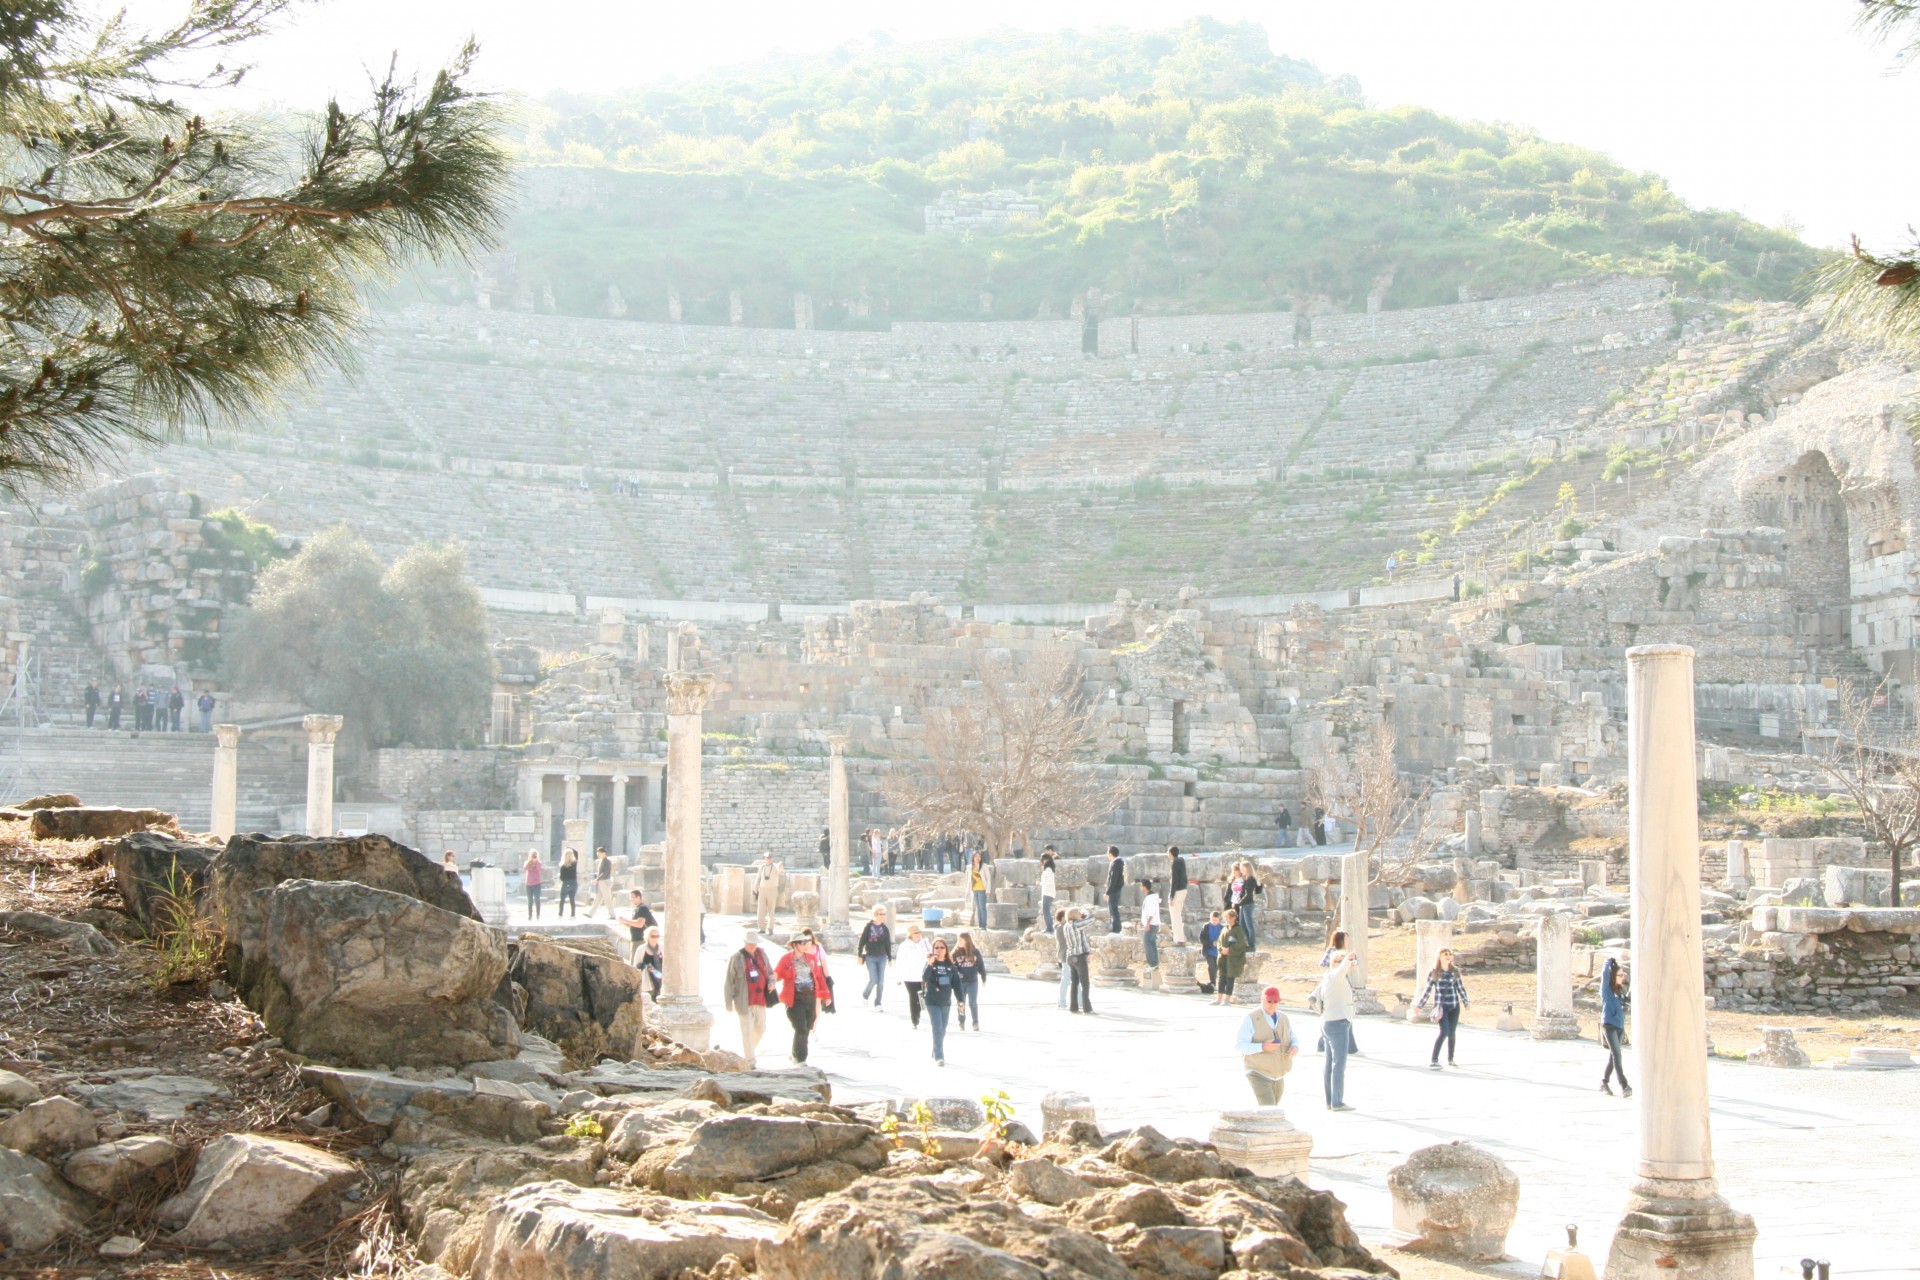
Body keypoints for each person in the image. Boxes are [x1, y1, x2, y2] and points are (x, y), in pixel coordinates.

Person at [774, 931, 832, 1064]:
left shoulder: (811, 958)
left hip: (810, 997)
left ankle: (795, 1053)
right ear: (794, 944)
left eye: (806, 942)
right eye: (802, 942)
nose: (805, 944)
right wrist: (772, 981)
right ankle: (801, 1059)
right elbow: (777, 973)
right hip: (794, 998)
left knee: (807, 1027)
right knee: (800, 1027)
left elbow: (819, 978)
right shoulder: (786, 959)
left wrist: (826, 995)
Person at [1235, 985, 1299, 1106]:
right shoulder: (1251, 1018)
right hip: (1258, 1072)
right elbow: (1240, 1045)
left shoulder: (1284, 1018)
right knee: (1269, 1109)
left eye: (1276, 1001)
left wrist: (1295, 1047)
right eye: (1269, 1001)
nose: (1272, 1004)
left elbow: (1293, 1037)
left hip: (1279, 1074)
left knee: (1272, 1112)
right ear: (1262, 999)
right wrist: (1262, 1047)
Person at [1312, 950, 1357, 1111]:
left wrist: (1347, 965)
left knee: (1330, 1063)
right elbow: (1340, 969)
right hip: (1337, 1023)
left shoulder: (1332, 977)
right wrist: (1347, 958)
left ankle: (1331, 1101)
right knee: (1338, 1064)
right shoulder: (1334, 976)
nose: (1341, 963)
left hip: (1329, 1022)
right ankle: (1337, 1101)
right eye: (1338, 961)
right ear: (1332, 963)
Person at [724, 929, 774, 1068]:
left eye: (754, 943)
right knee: (747, 1031)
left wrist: (772, 982)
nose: (752, 946)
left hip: (760, 998)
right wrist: (728, 1001)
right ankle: (750, 1061)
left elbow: (771, 972)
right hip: (743, 1000)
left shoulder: (762, 955)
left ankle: (748, 1052)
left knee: (761, 1027)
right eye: (750, 943)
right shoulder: (737, 957)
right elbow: (729, 980)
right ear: (745, 942)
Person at [1414, 948, 1470, 1069]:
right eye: (1445, 955)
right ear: (1439, 957)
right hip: (1441, 1007)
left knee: (1452, 1033)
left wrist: (1466, 1001)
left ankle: (1451, 1058)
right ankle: (1434, 1060)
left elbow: (1460, 988)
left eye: (1450, 954)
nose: (1448, 956)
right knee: (1444, 1032)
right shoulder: (1434, 972)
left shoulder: (1455, 971)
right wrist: (1420, 1005)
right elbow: (1427, 990)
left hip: (1454, 1006)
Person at [920, 936, 961, 1065]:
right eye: (936, 947)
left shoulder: (950, 966)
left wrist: (961, 1001)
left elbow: (957, 984)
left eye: (942, 947)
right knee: (937, 1028)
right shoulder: (930, 964)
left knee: (943, 1029)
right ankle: (939, 1056)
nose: (939, 950)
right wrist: (931, 964)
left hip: (945, 1002)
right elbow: (924, 978)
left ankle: (935, 1049)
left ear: (946, 950)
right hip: (932, 1001)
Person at [1319, 929, 1361, 1054]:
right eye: (1345, 939)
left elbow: (1353, 965)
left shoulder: (1346, 953)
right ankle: (1324, 1045)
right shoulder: (1332, 951)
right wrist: (1332, 970)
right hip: (1332, 985)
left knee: (1345, 1014)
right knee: (1335, 1017)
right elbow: (1322, 964)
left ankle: (1350, 1047)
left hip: (1344, 984)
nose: (1347, 941)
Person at [1599, 956, 1633, 1098]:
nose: (1622, 977)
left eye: (1623, 975)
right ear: (1613, 977)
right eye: (1619, 975)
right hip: (1609, 1025)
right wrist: (1609, 961)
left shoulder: (1620, 992)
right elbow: (1605, 973)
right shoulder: (1606, 990)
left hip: (1619, 1026)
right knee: (1617, 1055)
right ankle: (1624, 1085)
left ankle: (1604, 1082)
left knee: (1613, 1057)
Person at [857, 906, 893, 1008]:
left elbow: (887, 945)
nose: (883, 916)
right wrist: (859, 954)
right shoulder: (868, 927)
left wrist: (890, 958)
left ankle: (878, 1003)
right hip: (870, 957)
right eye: (881, 914)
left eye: (884, 914)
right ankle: (865, 995)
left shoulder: (885, 929)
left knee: (881, 982)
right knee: (874, 980)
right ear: (875, 915)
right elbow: (862, 941)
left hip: (882, 957)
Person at [895, 922, 930, 1028]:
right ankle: (915, 1019)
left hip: (923, 975)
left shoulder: (925, 943)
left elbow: (931, 956)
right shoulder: (905, 945)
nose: (918, 935)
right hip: (909, 976)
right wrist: (898, 977)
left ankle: (919, 1013)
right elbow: (899, 961)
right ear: (910, 935)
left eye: (919, 932)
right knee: (913, 997)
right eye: (915, 933)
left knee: (922, 996)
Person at [953, 930, 987, 1031]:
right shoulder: (956, 953)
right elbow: (952, 966)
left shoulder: (975, 952)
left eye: (961, 940)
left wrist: (983, 977)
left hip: (972, 981)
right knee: (961, 1002)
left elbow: (980, 965)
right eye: (958, 940)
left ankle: (975, 1023)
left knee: (973, 1002)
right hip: (960, 982)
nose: (959, 942)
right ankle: (961, 1022)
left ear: (967, 940)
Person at [1062, 906, 1094, 1014]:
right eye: (1079, 913)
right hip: (1079, 956)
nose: (1081, 914)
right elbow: (1091, 919)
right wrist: (1086, 912)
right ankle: (1087, 1008)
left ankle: (1073, 1007)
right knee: (1085, 983)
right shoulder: (1076, 925)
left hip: (1070, 956)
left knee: (1074, 982)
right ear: (1075, 915)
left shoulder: (1066, 925)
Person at [1215, 907, 1249, 1005]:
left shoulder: (1238, 930)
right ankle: (1219, 999)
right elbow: (1219, 942)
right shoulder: (1224, 929)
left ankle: (1227, 1000)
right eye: (1226, 919)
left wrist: (1230, 950)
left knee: (1230, 978)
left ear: (1234, 918)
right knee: (1222, 978)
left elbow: (1240, 943)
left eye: (1229, 918)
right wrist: (1222, 950)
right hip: (1223, 958)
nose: (1227, 920)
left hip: (1233, 958)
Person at [1227, 860, 1262, 953]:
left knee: (1249, 926)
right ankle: (1247, 944)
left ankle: (1252, 945)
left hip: (1247, 904)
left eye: (1243, 868)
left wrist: (1240, 902)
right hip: (1243, 905)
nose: (1241, 870)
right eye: (1241, 869)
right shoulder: (1246, 879)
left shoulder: (1251, 879)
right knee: (1242, 925)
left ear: (1247, 868)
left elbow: (1249, 894)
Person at [620, 888, 658, 963]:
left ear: (639, 897)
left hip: (640, 941)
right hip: (636, 940)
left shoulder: (642, 908)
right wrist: (624, 922)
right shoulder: (636, 909)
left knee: (636, 964)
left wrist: (627, 920)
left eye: (632, 897)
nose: (631, 899)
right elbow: (634, 925)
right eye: (630, 897)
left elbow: (640, 924)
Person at [1199, 910, 1225, 994]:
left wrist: (1219, 943)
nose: (1214, 922)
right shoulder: (1206, 926)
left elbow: (1224, 939)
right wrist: (1211, 943)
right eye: (1213, 920)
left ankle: (1215, 983)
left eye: (1216, 920)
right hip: (1209, 950)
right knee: (1211, 966)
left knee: (1217, 968)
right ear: (1210, 919)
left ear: (1219, 920)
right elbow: (1201, 938)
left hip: (1218, 952)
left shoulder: (1222, 927)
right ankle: (1213, 983)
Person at [1167, 846, 1189, 944]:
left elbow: (1174, 881)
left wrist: (1171, 896)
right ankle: (1180, 937)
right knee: (1178, 915)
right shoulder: (1181, 861)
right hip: (1183, 890)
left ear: (1171, 853)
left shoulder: (1175, 863)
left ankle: (1179, 939)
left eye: (1168, 852)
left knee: (1175, 916)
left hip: (1177, 891)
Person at [755, 851, 781, 931]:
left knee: (771, 910)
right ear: (764, 859)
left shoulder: (775, 866)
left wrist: (780, 865)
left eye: (770, 858)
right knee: (761, 909)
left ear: (772, 859)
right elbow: (758, 877)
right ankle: (761, 928)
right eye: (767, 858)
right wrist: (755, 886)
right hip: (762, 889)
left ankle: (770, 928)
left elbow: (780, 869)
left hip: (772, 889)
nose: (769, 859)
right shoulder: (762, 867)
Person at [636, 926, 664, 999]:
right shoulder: (641, 949)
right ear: (647, 937)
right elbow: (636, 966)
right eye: (653, 936)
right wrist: (646, 966)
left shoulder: (662, 948)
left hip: (661, 980)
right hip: (647, 981)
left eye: (657, 936)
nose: (655, 938)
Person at [1140, 880, 1162, 970]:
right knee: (1151, 943)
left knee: (1147, 942)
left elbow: (1151, 912)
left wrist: (1148, 924)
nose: (1140, 888)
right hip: (1152, 924)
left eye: (1141, 886)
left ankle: (1152, 964)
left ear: (1144, 887)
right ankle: (1155, 964)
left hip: (1152, 924)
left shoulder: (1151, 898)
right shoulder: (1149, 897)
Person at [1104, 846, 1126, 933]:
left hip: (1114, 891)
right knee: (1113, 909)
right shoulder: (1118, 863)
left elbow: (1113, 880)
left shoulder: (1115, 864)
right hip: (1115, 890)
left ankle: (1116, 929)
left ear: (1110, 854)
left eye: (1107, 852)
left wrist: (1108, 892)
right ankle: (1115, 927)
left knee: (1113, 910)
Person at [1054, 907, 1072, 1008]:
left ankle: (1078, 1001)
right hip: (1066, 955)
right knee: (1066, 979)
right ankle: (1061, 1002)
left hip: (1065, 955)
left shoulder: (1060, 927)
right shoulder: (1062, 928)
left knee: (1072, 980)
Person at [589, 848, 615, 918]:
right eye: (597, 853)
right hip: (601, 881)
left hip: (605, 881)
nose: (598, 855)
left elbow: (604, 873)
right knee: (598, 898)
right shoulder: (602, 861)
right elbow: (601, 873)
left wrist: (596, 879)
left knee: (607, 898)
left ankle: (612, 914)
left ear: (604, 853)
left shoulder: (607, 862)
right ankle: (591, 913)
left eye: (599, 853)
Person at [969, 851, 991, 927]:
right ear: (973, 858)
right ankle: (980, 925)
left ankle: (984, 925)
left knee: (982, 908)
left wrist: (988, 890)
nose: (977, 858)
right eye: (976, 856)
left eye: (979, 856)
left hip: (982, 889)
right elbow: (970, 879)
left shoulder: (984, 866)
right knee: (978, 908)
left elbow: (988, 878)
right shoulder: (971, 866)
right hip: (975, 890)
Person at [1038, 847, 1058, 932]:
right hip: (1047, 893)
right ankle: (1049, 928)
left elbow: (1050, 882)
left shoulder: (1048, 870)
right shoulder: (1048, 870)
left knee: (1046, 912)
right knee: (1046, 911)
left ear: (1046, 860)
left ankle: (1050, 928)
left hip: (1048, 893)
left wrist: (1040, 883)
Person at [556, 847, 579, 917]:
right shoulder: (574, 863)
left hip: (566, 883)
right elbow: (577, 853)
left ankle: (560, 915)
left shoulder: (563, 866)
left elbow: (562, 877)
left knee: (562, 900)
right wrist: (570, 848)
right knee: (572, 900)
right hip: (574, 883)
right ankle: (573, 915)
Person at [522, 849, 544, 918]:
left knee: (537, 899)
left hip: (537, 883)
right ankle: (530, 915)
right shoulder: (527, 862)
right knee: (530, 900)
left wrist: (536, 861)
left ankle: (538, 915)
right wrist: (530, 861)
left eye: (535, 855)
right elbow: (525, 868)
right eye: (533, 855)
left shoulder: (539, 862)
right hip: (528, 884)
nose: (534, 856)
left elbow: (539, 869)